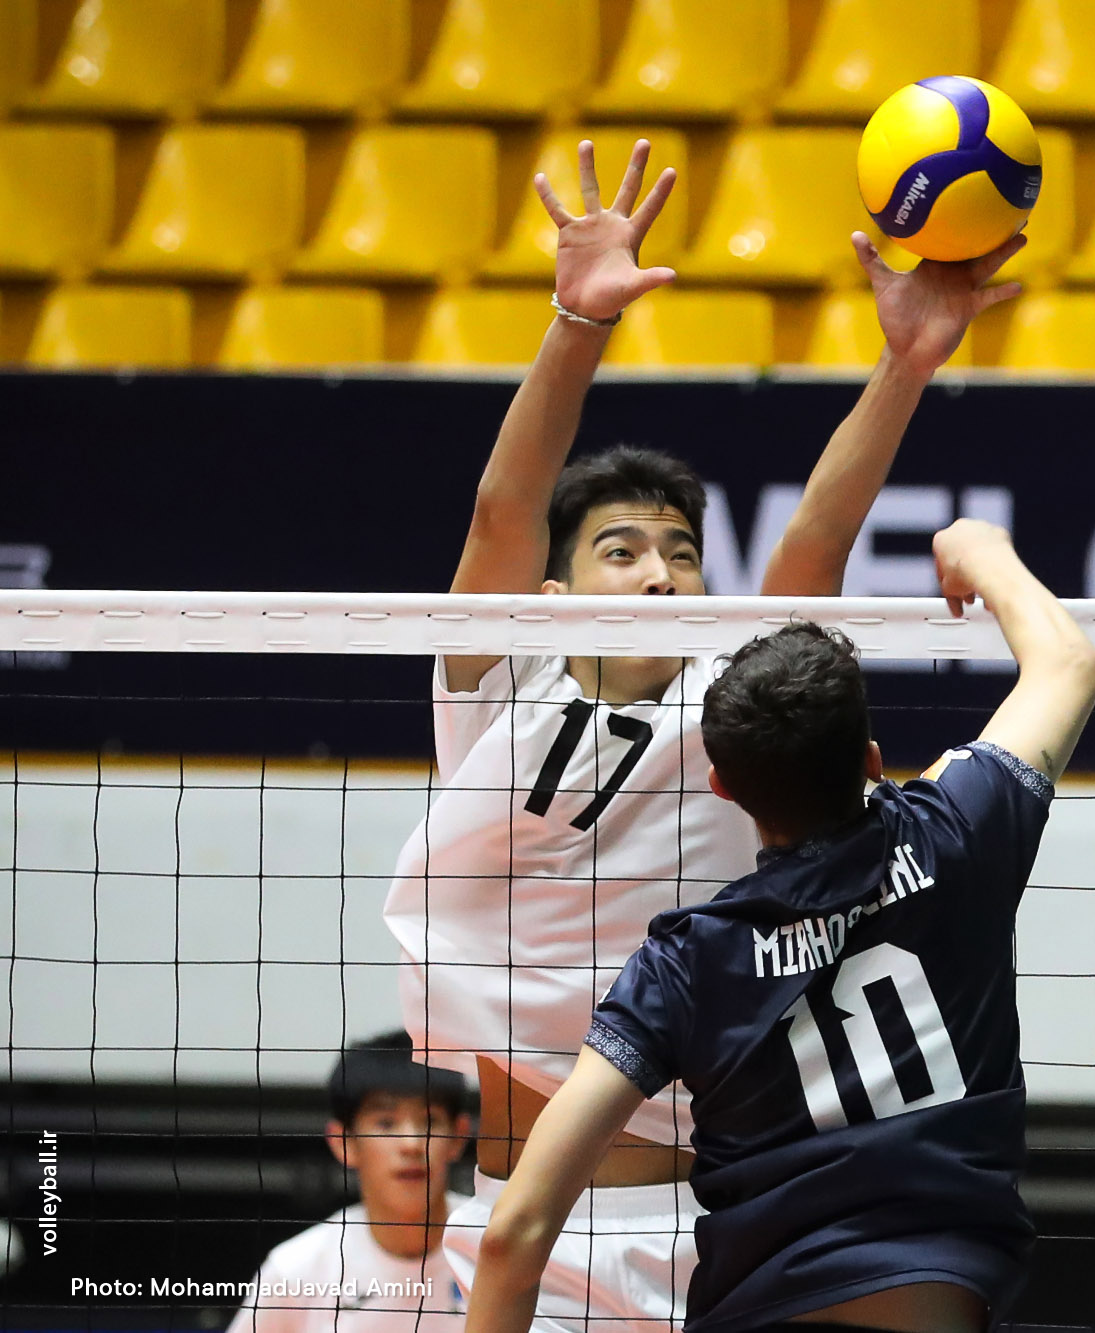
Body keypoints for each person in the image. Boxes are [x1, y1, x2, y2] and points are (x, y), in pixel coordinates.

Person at [380, 138, 1027, 1332]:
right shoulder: (496, 685)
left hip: (696, 1222)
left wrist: (905, 362)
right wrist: (577, 319)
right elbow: (502, 509)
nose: (660, 572)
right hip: (519, 1222)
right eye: (621, 550)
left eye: (681, 552)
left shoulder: (734, 706)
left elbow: (813, 549)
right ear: (552, 596)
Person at [461, 518, 1095, 1333]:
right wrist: (982, 550)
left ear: (722, 785)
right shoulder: (955, 833)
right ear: (871, 757)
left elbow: (512, 1235)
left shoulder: (683, 963)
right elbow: (1071, 663)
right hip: (936, 1298)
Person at [229, 1032, 473, 1333]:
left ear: (458, 1136)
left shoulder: (498, 1248)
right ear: (343, 1142)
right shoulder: (295, 1272)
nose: (411, 1144)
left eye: (430, 1121)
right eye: (386, 1123)